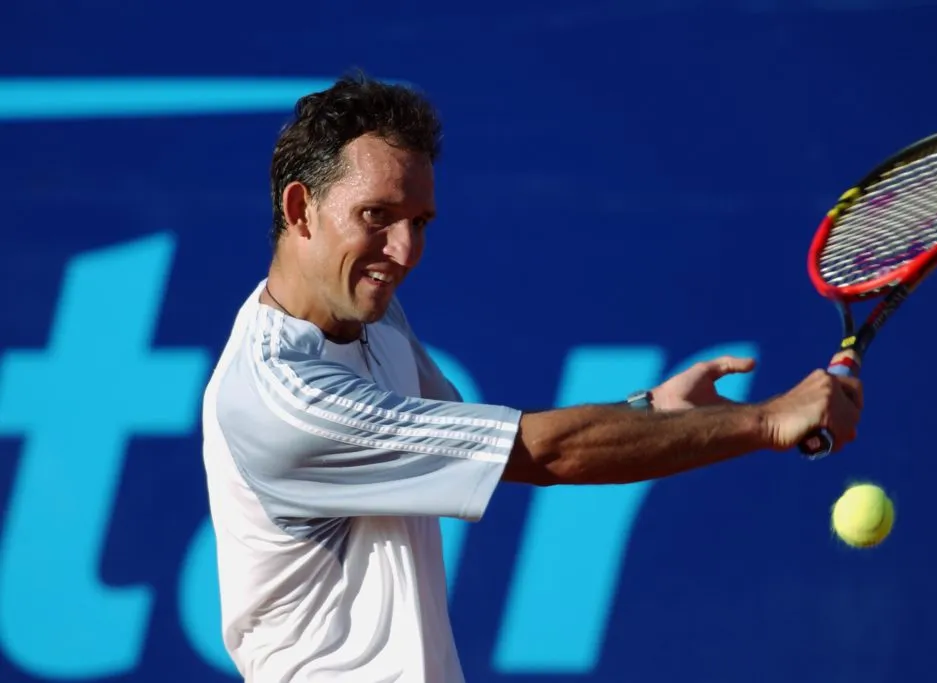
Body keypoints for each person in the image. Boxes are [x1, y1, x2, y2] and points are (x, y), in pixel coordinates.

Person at [200, 71, 863, 683]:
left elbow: (483, 432)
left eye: (419, 223)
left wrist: (651, 406)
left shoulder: (372, 316)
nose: (404, 252)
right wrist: (767, 419)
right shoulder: (283, 397)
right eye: (377, 216)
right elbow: (544, 451)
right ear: (299, 208)